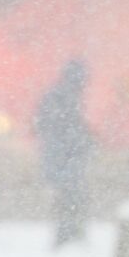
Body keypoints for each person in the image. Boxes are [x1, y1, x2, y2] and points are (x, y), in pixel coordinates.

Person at [35, 60, 93, 246]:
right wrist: (85, 139)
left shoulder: (58, 95)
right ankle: (68, 235)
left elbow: (42, 124)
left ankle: (68, 234)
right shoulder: (65, 97)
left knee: (67, 196)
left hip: (60, 157)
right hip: (65, 158)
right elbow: (67, 128)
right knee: (70, 196)